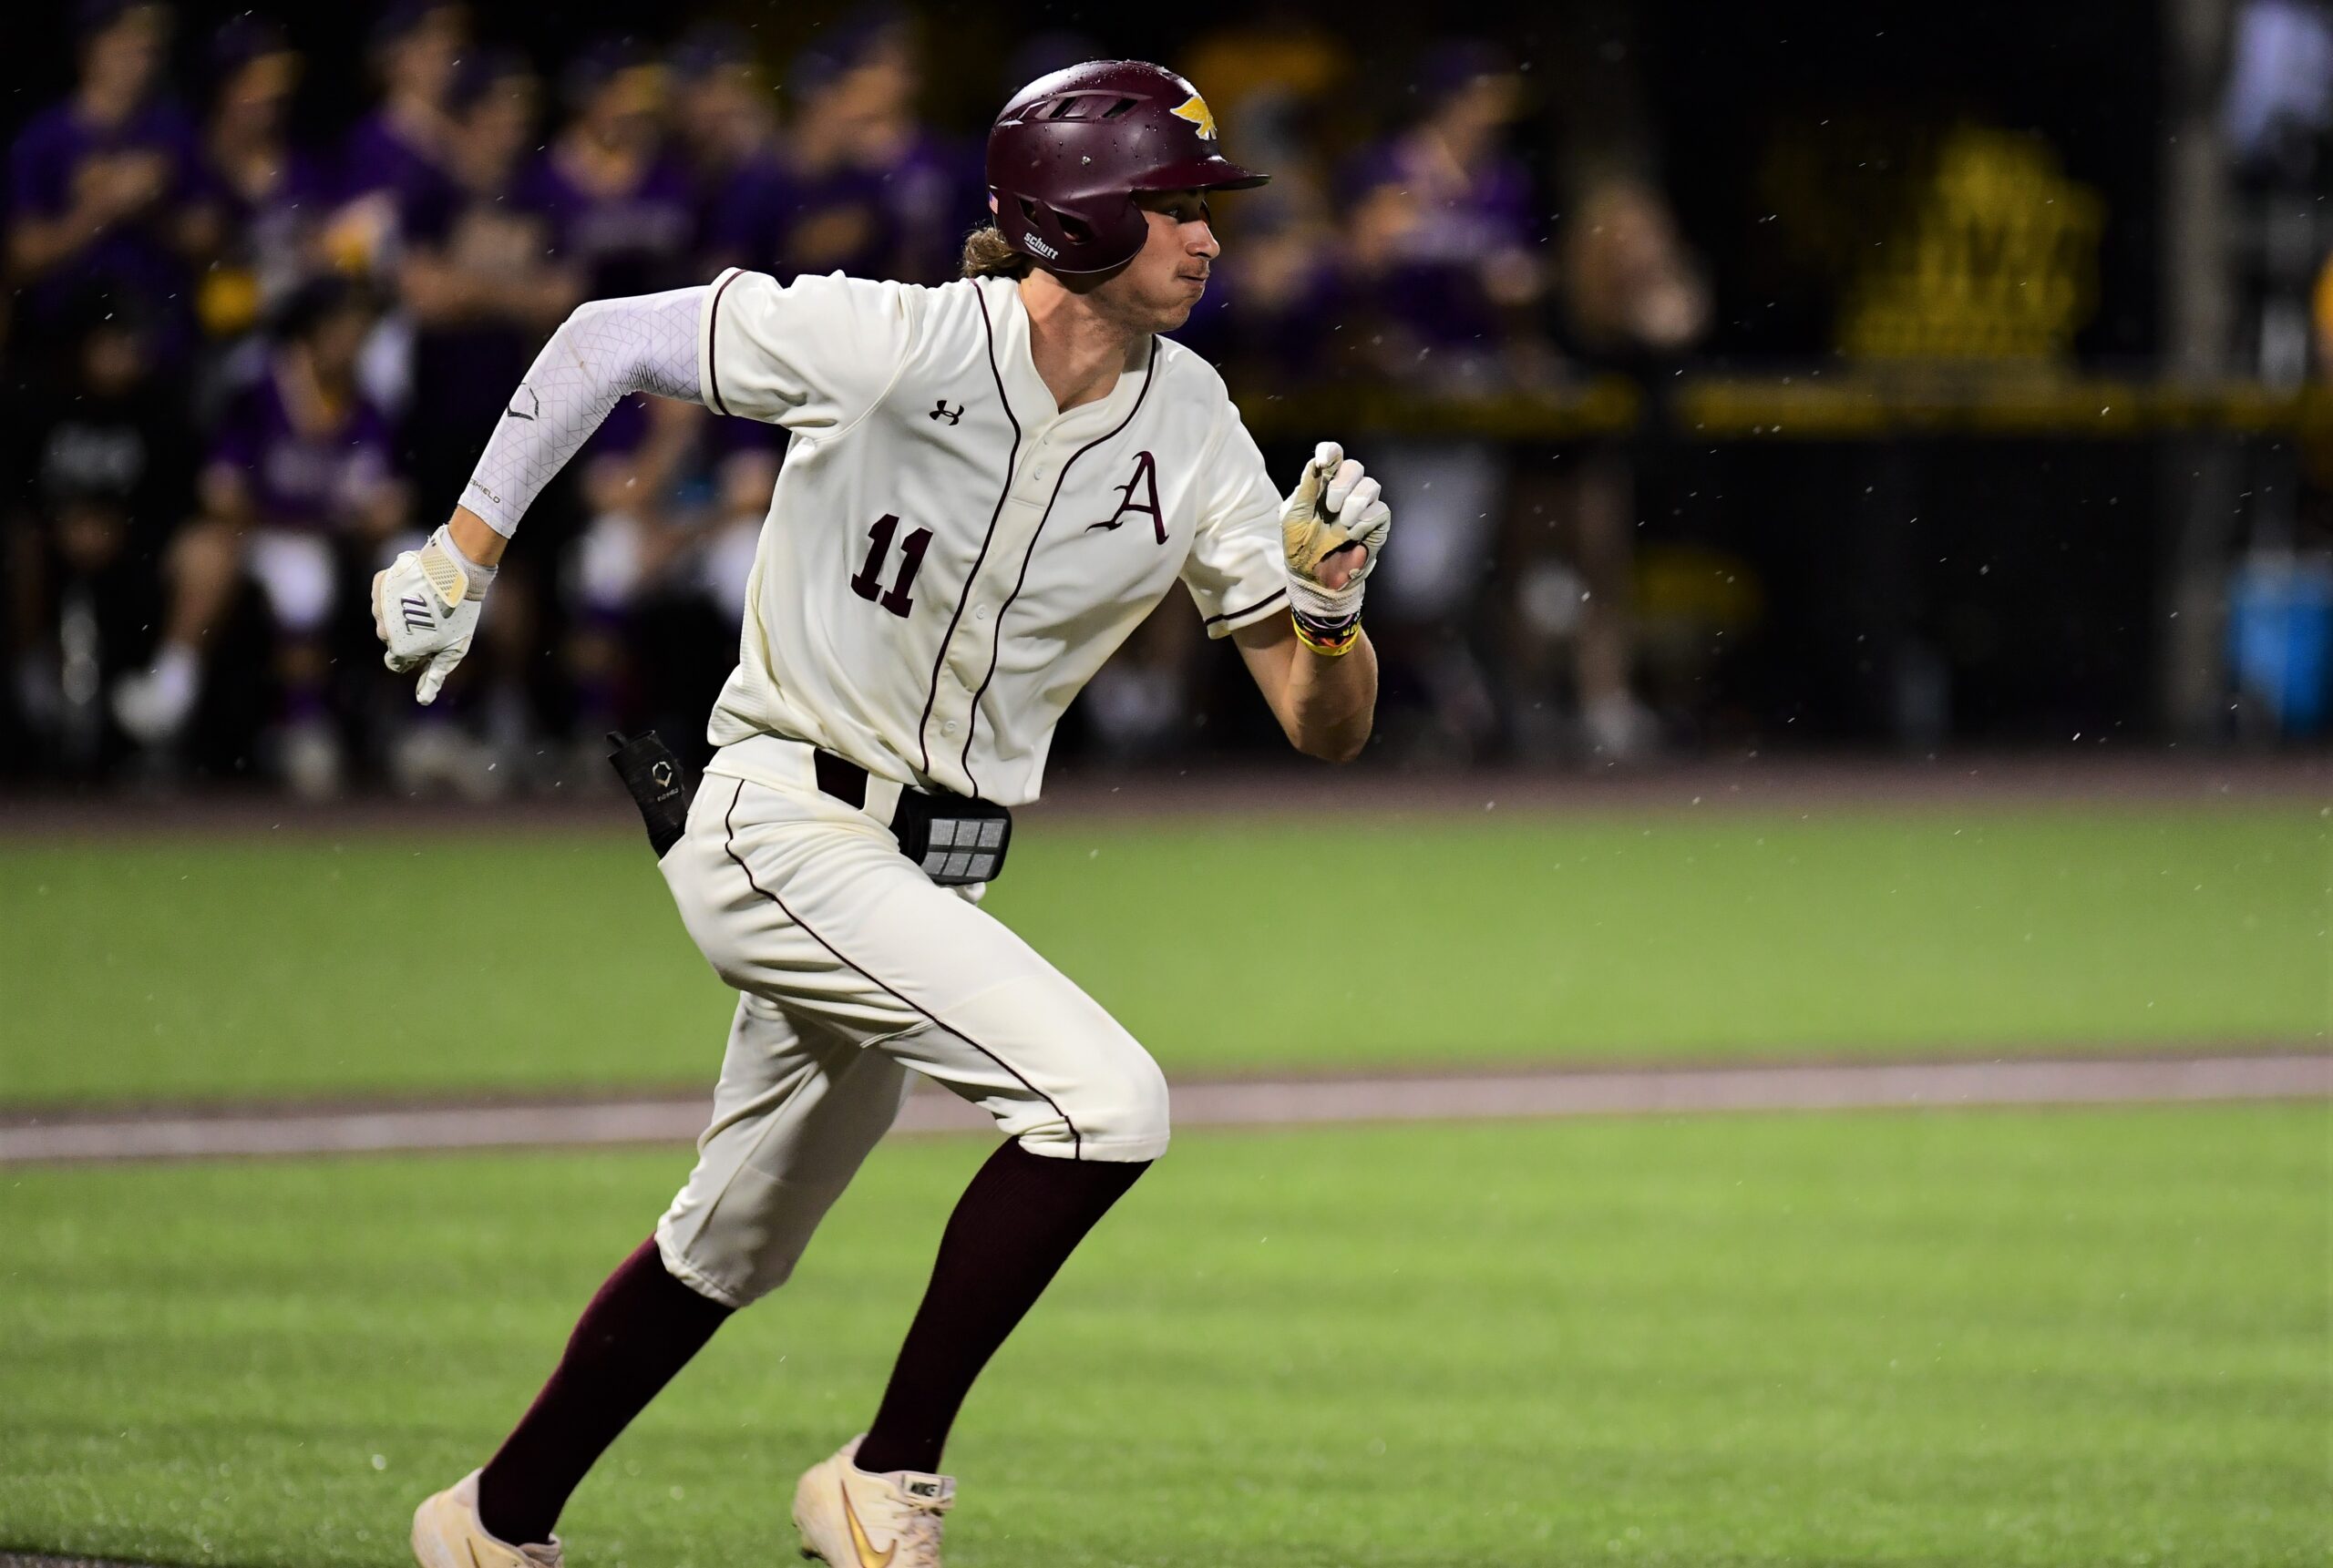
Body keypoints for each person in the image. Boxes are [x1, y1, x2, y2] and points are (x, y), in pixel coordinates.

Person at [387, 60, 1392, 1568]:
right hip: (779, 818)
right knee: (1105, 1105)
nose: (1208, 235)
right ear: (1075, 216)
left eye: (1205, 208)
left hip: (929, 880)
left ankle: (487, 1524)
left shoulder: (1194, 424)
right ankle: (881, 1474)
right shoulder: (891, 339)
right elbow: (608, 340)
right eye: (1175, 204)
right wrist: (464, 548)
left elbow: (1324, 730)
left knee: (728, 1247)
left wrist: (1327, 610)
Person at [114, 276, 405, 795]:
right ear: (313, 334)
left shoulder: (365, 401)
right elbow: (220, 494)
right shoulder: (261, 388)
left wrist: (331, 515)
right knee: (274, 569)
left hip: (316, 538)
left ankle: (334, 727)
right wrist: (321, 512)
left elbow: (384, 502)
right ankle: (187, 696)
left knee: (345, 571)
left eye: (360, 333)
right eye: (343, 331)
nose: (353, 344)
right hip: (260, 535)